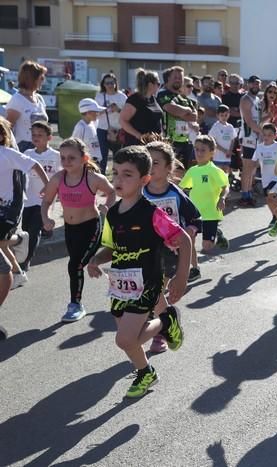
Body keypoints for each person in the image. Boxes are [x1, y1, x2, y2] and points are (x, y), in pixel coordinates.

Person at [86, 146, 190, 398]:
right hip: (120, 284)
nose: (118, 180)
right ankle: (145, 372)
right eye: (116, 173)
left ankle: (166, 320)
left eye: (127, 174)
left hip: (147, 282)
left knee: (124, 339)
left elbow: (184, 239)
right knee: (129, 340)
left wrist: (181, 277)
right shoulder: (112, 214)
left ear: (145, 179)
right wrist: (94, 261)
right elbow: (110, 247)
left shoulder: (151, 213)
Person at [41, 138, 115, 321]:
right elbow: (47, 201)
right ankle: (94, 266)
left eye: (71, 158)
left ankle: (75, 304)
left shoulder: (93, 178)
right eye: (63, 158)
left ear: (84, 158)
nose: (66, 162)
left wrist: (107, 206)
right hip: (70, 229)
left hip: (91, 227)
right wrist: (46, 217)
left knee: (74, 265)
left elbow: (111, 192)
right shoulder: (58, 178)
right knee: (77, 263)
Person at [144, 141, 201, 353]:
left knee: (155, 293)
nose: (150, 166)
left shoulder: (176, 194)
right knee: (152, 294)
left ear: (169, 168)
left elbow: (195, 217)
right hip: (146, 252)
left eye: (155, 162)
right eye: (147, 161)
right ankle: (167, 320)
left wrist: (191, 231)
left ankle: (160, 332)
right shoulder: (139, 193)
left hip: (170, 253)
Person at [0, 119, 49, 290]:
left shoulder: (7, 153)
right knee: (1, 243)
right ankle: (18, 272)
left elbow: (34, 164)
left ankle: (19, 240)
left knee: (0, 241)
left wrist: (48, 186)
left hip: (10, 207)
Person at [20, 121, 60, 271]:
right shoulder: (27, 154)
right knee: (24, 231)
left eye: (40, 135)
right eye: (34, 135)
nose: (36, 138)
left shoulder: (56, 156)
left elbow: (60, 176)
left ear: (49, 138)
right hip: (27, 200)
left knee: (33, 231)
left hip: (44, 201)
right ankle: (47, 229)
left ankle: (24, 264)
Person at [179, 135, 229, 253]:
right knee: (189, 240)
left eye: (203, 150)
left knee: (207, 246)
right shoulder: (192, 170)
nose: (199, 153)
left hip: (211, 212)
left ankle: (216, 233)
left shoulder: (214, 171)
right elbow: (181, 187)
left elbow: (225, 186)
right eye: (196, 149)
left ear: (212, 152)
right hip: (194, 212)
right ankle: (194, 266)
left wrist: (222, 198)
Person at [157, 66, 198, 170]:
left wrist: (181, 112)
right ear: (168, 78)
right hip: (169, 141)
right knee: (170, 171)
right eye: (175, 77)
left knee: (184, 172)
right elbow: (170, 108)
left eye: (180, 78)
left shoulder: (183, 97)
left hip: (185, 140)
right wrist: (186, 111)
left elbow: (194, 116)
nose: (178, 80)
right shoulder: (162, 93)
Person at [5, 60, 49, 152]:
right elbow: (7, 128)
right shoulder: (17, 100)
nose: (43, 80)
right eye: (41, 78)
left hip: (42, 148)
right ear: (32, 79)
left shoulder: (39, 98)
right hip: (24, 148)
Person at [120, 69, 163, 146]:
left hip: (154, 144)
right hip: (137, 144)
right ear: (150, 84)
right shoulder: (135, 99)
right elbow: (123, 120)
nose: (159, 87)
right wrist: (139, 136)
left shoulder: (153, 99)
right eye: (158, 84)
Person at [95, 73, 128, 173]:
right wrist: (106, 109)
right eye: (107, 83)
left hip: (118, 130)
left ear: (115, 83)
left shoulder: (122, 97)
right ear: (103, 85)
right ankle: (101, 176)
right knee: (102, 155)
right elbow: (95, 113)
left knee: (118, 156)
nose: (110, 85)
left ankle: (117, 175)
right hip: (102, 129)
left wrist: (118, 110)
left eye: (112, 82)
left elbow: (127, 114)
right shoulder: (100, 96)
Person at [239, 75, 263, 207]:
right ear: (248, 84)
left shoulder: (257, 99)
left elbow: (259, 119)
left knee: (253, 167)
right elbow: (249, 121)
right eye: (253, 83)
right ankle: (245, 195)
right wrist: (261, 132)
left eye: (258, 84)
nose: (256, 86)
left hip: (257, 137)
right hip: (248, 137)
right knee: (247, 168)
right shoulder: (246, 99)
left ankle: (248, 192)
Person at [251, 123, 277, 226]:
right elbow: (254, 162)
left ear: (275, 135)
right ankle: (276, 216)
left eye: (269, 135)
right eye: (264, 135)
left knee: (270, 195)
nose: (266, 137)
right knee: (269, 201)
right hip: (265, 178)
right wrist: (253, 174)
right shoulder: (259, 147)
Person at [72, 98, 105, 163]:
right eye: (96, 112)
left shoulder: (93, 123)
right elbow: (74, 146)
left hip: (96, 161)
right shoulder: (80, 127)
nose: (97, 114)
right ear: (88, 113)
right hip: (86, 162)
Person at [208, 105, 237, 174]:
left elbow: (233, 139)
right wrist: (224, 151)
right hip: (218, 156)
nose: (224, 117)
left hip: (227, 157)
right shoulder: (216, 126)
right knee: (218, 174)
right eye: (222, 115)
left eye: (226, 115)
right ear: (218, 116)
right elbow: (213, 141)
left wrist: (230, 151)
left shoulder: (230, 127)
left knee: (225, 175)